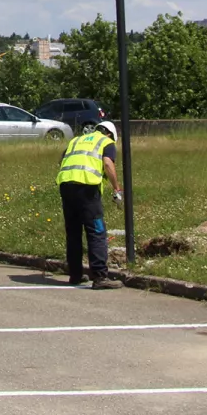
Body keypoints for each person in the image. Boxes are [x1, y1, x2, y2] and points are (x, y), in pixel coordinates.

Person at [55, 120, 124, 289]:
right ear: (109, 134)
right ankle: (100, 277)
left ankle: (75, 275)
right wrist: (117, 189)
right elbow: (107, 163)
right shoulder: (106, 142)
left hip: (66, 185)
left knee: (73, 232)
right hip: (87, 188)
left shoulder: (76, 140)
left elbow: (62, 161)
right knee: (96, 231)